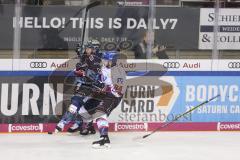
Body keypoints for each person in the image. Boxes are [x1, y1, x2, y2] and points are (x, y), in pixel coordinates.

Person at [54, 40, 102, 135]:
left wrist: (81, 70)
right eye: (86, 48)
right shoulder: (88, 57)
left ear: (94, 49)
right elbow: (83, 60)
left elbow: (91, 75)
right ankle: (84, 124)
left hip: (91, 87)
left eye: (88, 48)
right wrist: (80, 53)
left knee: (75, 104)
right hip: (83, 86)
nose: (86, 50)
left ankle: (62, 124)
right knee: (82, 108)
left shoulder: (96, 60)